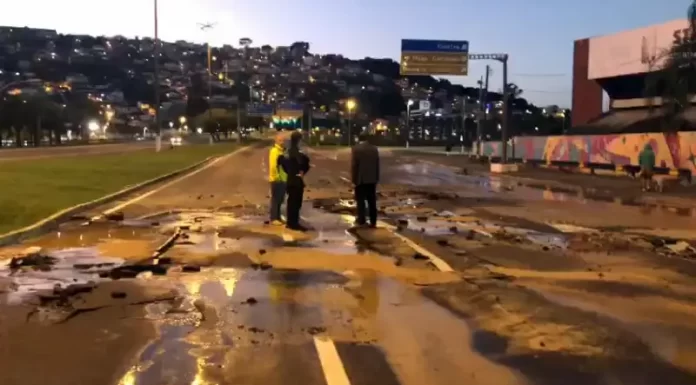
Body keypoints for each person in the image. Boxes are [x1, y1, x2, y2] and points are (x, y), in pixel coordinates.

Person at [280, 131, 311, 231]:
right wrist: (301, 171)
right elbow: (306, 163)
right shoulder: (298, 152)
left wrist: (290, 172)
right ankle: (294, 223)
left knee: (292, 202)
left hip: (291, 179)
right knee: (296, 203)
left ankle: (291, 222)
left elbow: (283, 163)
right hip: (296, 180)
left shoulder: (288, 151)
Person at [351, 132, 380, 228]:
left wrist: (354, 180)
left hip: (361, 179)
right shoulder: (374, 149)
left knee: (361, 201)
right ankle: (373, 221)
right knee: (372, 201)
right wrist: (376, 178)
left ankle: (361, 220)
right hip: (372, 179)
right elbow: (377, 165)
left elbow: (355, 166)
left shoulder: (356, 149)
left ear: (359, 139)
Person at [268, 133, 287, 225]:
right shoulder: (274, 151)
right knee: (275, 199)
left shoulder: (282, 151)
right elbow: (273, 166)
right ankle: (274, 218)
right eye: (280, 140)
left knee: (280, 199)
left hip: (282, 179)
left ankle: (278, 217)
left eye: (283, 140)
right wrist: (276, 178)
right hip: (276, 179)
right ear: (276, 141)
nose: (282, 142)